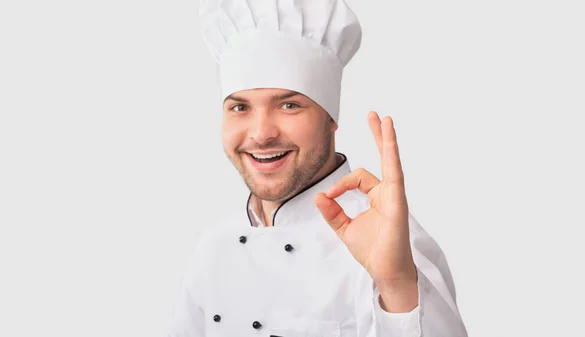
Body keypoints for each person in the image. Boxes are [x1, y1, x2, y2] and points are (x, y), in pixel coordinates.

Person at [167, 0, 468, 336]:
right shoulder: (214, 247)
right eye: (240, 107)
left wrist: (397, 285)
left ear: (331, 119)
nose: (261, 133)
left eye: (289, 105)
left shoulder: (391, 238)